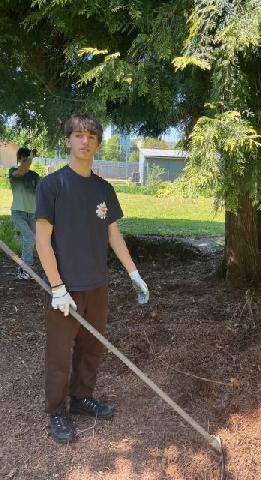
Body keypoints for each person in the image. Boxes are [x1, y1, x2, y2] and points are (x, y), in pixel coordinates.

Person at [35, 113, 149, 444]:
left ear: (98, 144)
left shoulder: (104, 189)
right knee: (59, 353)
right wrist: (56, 287)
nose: (85, 141)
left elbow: (114, 236)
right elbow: (43, 241)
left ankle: (82, 397)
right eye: (79, 135)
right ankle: (57, 410)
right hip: (65, 289)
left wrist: (133, 273)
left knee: (91, 349)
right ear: (68, 140)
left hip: (97, 285)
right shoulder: (51, 186)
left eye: (91, 137)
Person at [9, 147, 40, 279]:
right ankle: (27, 269)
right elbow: (22, 171)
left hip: (33, 214)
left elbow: (42, 192)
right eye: (24, 159)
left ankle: (23, 269)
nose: (27, 162)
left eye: (27, 160)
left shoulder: (34, 175)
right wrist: (30, 157)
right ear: (19, 160)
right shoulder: (14, 172)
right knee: (29, 238)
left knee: (31, 241)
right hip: (18, 213)